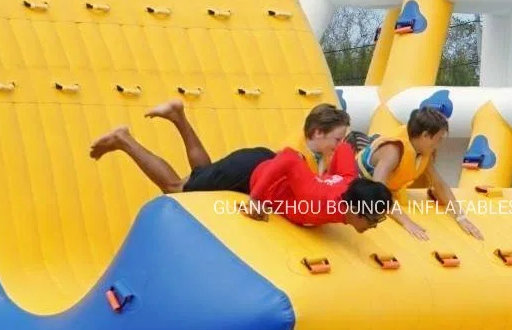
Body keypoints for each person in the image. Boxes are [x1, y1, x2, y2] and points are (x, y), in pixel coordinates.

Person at [90, 100, 392, 231]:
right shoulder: (319, 201)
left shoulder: (348, 184)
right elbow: (288, 158)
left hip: (260, 165)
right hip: (251, 171)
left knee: (200, 178)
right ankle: (123, 139)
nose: (373, 227)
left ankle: (177, 115)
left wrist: (335, 155)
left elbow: (345, 160)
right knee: (178, 190)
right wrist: (256, 200)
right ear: (354, 209)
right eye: (374, 221)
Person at [353, 107, 483, 242]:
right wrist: (406, 222)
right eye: (438, 139)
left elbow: (439, 183)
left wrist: (461, 217)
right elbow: (377, 190)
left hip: (388, 192)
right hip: (359, 191)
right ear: (425, 135)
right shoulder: (393, 150)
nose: (439, 145)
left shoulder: (421, 152)